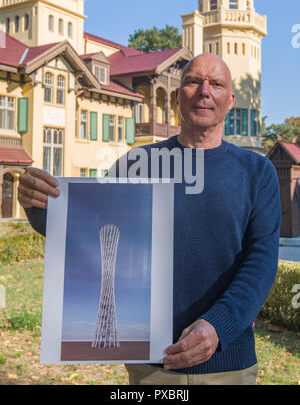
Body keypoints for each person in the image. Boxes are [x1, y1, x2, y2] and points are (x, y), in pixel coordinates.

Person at [18, 53, 281, 385]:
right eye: (192, 81)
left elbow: (262, 261)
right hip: (152, 368)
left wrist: (218, 326)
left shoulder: (257, 172)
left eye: (215, 84)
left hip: (228, 365)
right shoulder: (138, 164)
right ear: (176, 96)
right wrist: (37, 203)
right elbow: (87, 230)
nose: (203, 91)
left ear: (230, 101)